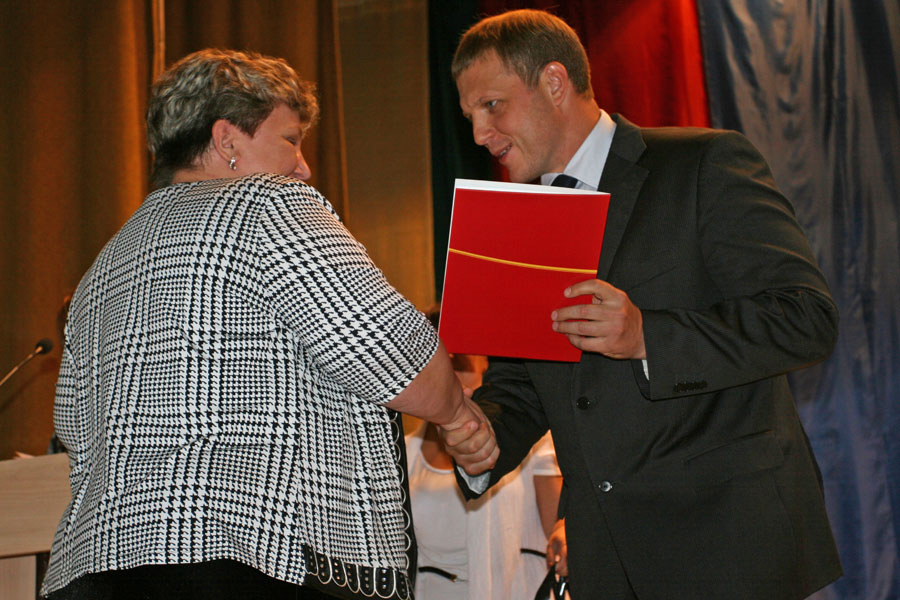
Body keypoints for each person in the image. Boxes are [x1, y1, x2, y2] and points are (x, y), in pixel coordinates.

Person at [41, 48, 495, 600]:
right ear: (228, 140)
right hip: (248, 559)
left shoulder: (104, 266)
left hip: (97, 567)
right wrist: (457, 415)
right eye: (290, 140)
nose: (303, 168)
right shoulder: (268, 203)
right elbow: (390, 350)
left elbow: (74, 428)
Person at [439, 9, 842, 600]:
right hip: (605, 561)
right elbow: (522, 384)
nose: (479, 133)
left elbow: (806, 317)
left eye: (492, 106)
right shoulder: (514, 218)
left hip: (729, 549)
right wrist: (483, 440)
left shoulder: (704, 163)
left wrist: (646, 336)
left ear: (554, 82)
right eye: (469, 114)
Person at [405, 344, 567, 600]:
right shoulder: (402, 452)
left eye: (458, 363)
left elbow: (559, 527)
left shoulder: (526, 438)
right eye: (437, 364)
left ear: (486, 363)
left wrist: (564, 532)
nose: (448, 374)